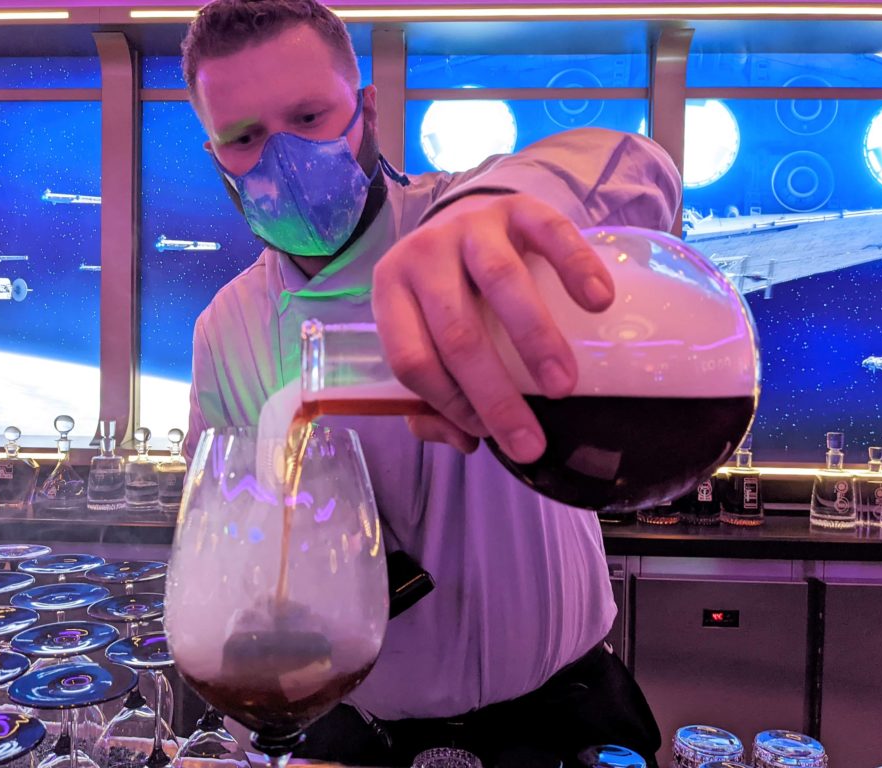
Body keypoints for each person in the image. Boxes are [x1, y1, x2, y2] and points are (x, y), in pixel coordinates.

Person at [180, 1, 681, 765]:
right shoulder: (229, 328)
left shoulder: (459, 216)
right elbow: (236, 544)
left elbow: (634, 169)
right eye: (245, 138)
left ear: (366, 111)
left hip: (559, 717)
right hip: (356, 730)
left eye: (310, 116)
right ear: (217, 157)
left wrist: (500, 214)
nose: (281, 156)